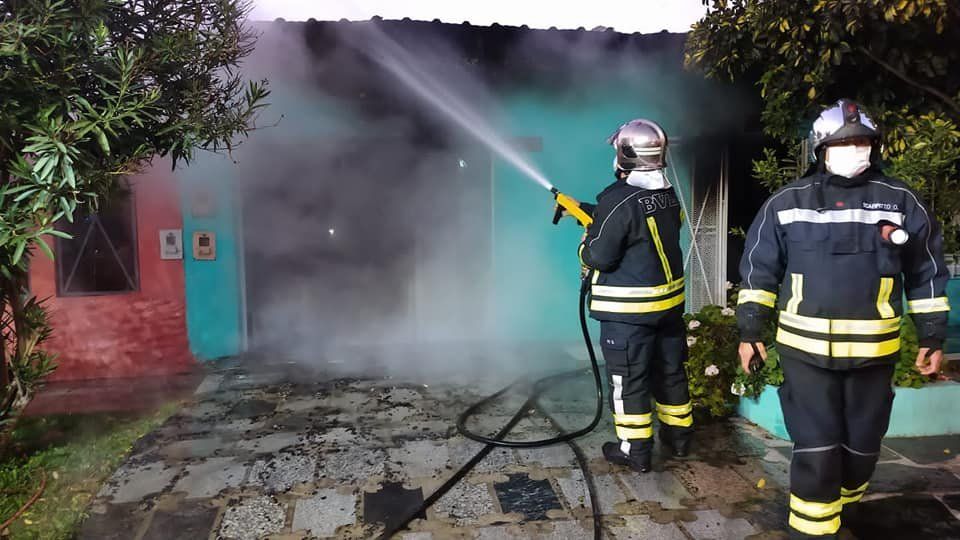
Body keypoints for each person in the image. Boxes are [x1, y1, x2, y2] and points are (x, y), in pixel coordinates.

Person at [736, 99, 951, 538]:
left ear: (874, 147)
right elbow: (759, 272)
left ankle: (844, 501)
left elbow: (927, 271)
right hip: (805, 354)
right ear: (821, 148)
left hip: (874, 354)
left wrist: (931, 337)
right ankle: (812, 529)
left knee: (862, 448)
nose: (852, 149)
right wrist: (751, 331)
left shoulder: (900, 201)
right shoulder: (786, 203)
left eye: (860, 141)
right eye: (842, 142)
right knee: (816, 449)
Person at [576, 118, 693, 473]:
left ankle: (634, 451)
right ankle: (678, 442)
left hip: (628, 316)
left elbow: (599, 256)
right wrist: (593, 214)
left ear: (626, 155)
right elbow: (640, 220)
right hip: (668, 311)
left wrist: (586, 240)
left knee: (629, 382)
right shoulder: (667, 193)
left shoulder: (617, 200)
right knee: (671, 373)